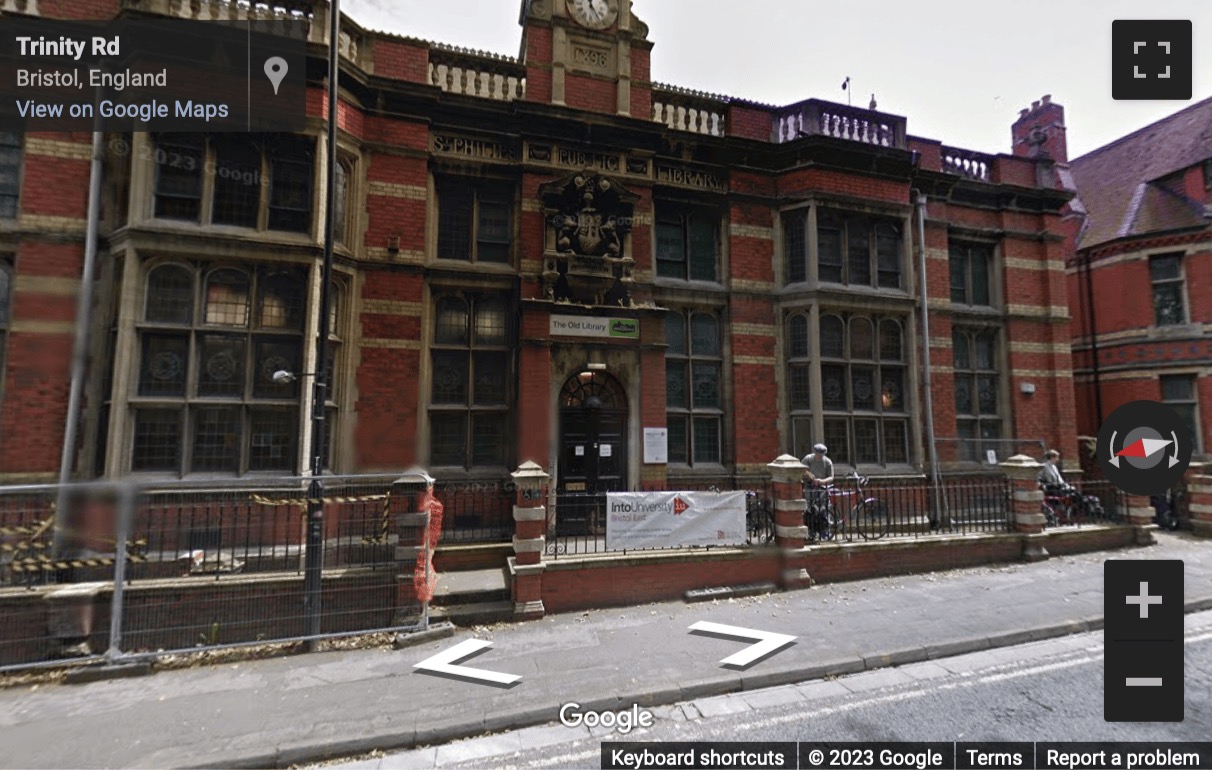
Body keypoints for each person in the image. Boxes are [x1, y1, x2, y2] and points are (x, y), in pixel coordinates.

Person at [801, 444, 835, 537]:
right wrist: (808, 474)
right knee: (810, 509)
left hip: (822, 488)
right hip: (810, 487)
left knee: (823, 510)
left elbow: (831, 477)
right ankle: (811, 531)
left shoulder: (828, 462)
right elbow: (801, 469)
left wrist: (822, 481)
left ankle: (824, 531)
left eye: (821, 455)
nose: (819, 457)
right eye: (817, 454)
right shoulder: (808, 459)